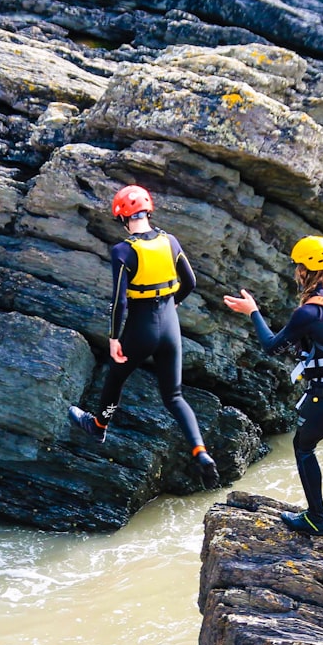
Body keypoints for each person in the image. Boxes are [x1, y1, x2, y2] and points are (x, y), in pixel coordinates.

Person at [68, 184, 219, 489]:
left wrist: (113, 338)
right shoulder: (170, 241)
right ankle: (200, 451)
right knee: (174, 397)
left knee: (115, 378)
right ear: (149, 211)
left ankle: (98, 425)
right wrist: (171, 306)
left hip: (140, 329)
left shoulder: (124, 250)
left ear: (123, 218)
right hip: (170, 327)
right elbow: (190, 282)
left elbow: (120, 301)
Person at [222, 235, 323, 537]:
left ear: (304, 270)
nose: (296, 271)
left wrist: (253, 312)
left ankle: (317, 518)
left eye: (297, 266)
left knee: (303, 448)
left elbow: (272, 346)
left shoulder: (308, 312)